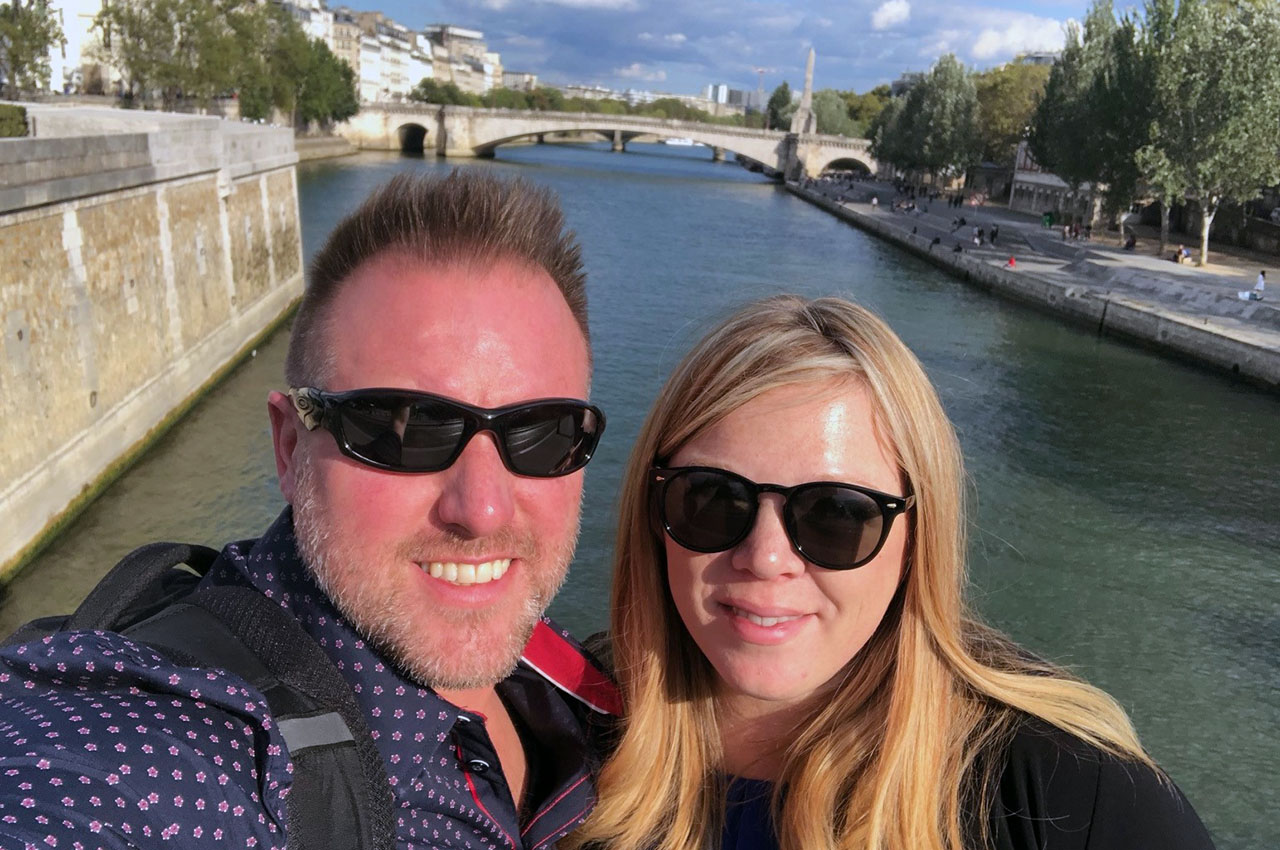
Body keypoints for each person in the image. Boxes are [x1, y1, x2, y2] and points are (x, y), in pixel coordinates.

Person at [0, 172, 618, 849]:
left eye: (544, 433)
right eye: (403, 428)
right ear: (289, 446)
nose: (483, 508)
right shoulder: (167, 752)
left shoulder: (564, 677)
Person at [572, 295, 1214, 850]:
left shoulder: (1074, 799)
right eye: (712, 499)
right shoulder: (560, 723)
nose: (766, 557)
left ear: (916, 540)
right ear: (653, 513)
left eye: (835, 515)